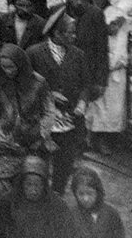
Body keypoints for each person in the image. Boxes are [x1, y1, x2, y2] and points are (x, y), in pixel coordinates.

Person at [27, 13, 92, 194]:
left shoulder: (78, 55)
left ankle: (57, 195)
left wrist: (82, 103)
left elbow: (86, 84)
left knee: (64, 163)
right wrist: (48, 94)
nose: (74, 37)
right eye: (70, 33)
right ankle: (38, 196)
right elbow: (24, 85)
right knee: (39, 163)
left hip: (69, 121)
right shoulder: (34, 53)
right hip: (42, 121)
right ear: (57, 33)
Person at [0, 43, 52, 207]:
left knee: (30, 186)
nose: (8, 71)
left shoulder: (38, 83)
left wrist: (42, 134)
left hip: (31, 144)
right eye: (4, 67)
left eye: (12, 67)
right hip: (5, 144)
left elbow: (48, 112)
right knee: (4, 190)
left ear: (21, 64)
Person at [87, 0, 132, 145]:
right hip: (101, 62)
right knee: (97, 103)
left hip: (115, 65)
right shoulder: (94, 13)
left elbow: (116, 32)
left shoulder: (118, 12)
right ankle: (93, 136)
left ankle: (106, 138)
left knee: (113, 106)